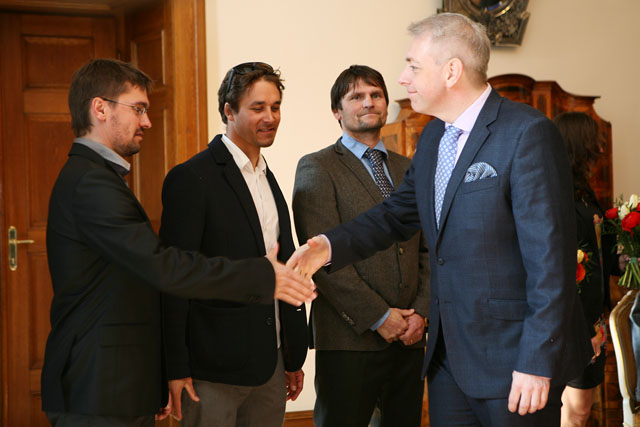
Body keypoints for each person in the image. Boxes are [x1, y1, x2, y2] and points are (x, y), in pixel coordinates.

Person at [288, 12, 593, 426]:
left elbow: (550, 260)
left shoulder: (527, 133)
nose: (402, 78)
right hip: (448, 361)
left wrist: (537, 360)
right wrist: (327, 247)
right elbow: (396, 215)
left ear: (451, 71)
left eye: (413, 66)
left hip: (514, 362)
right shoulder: (433, 137)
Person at [42, 58, 314, 427]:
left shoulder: (98, 176)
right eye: (138, 109)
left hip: (119, 382)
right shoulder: (92, 182)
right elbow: (164, 267)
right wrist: (263, 276)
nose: (147, 122)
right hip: (101, 382)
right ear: (100, 108)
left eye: (275, 107)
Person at [159, 62, 308, 427]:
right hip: (212, 369)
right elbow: (173, 278)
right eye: (258, 107)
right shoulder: (191, 178)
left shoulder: (269, 178)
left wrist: (292, 357)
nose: (270, 117)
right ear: (229, 111)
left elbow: (283, 267)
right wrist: (174, 366)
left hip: (272, 363)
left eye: (275, 107)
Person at [292, 65, 430, 427]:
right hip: (349, 339)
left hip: (410, 336)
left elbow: (429, 248)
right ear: (337, 111)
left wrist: (420, 313)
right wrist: (380, 317)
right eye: (357, 97)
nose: (369, 102)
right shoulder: (317, 167)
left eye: (376, 95)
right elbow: (322, 259)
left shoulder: (409, 168)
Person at [554, 112, 618, 427]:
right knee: (576, 409)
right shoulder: (559, 194)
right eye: (594, 141)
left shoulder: (583, 191)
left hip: (593, 316)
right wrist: (584, 330)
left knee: (579, 409)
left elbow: (597, 251)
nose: (600, 148)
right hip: (576, 321)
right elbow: (562, 270)